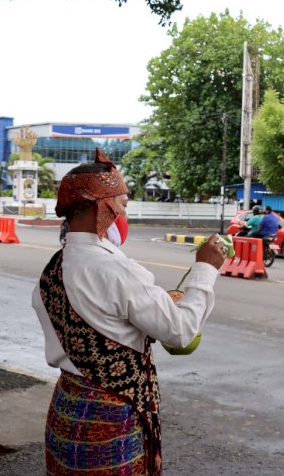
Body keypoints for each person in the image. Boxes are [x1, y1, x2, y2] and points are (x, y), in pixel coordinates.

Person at [31, 149, 226, 475]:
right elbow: (180, 332)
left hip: (66, 411)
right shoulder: (115, 270)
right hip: (111, 419)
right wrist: (205, 269)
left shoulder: (51, 271)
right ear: (101, 206)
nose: (125, 214)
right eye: (122, 204)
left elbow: (100, 323)